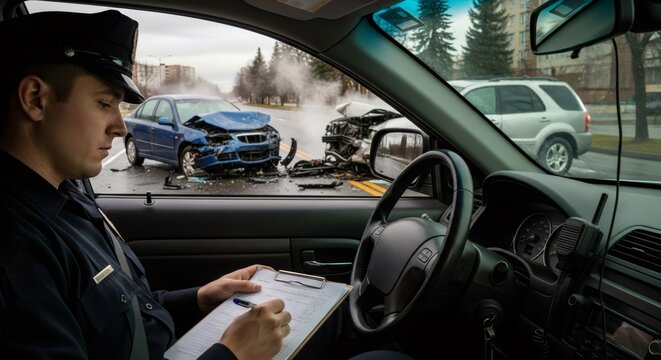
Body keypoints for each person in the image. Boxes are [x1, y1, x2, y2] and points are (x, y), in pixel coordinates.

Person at [0, 8, 413, 360]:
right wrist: (231, 354)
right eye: (104, 103)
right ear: (36, 99)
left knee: (343, 316)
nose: (120, 125)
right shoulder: (14, 246)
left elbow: (127, 316)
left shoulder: (65, 198)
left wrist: (201, 297)